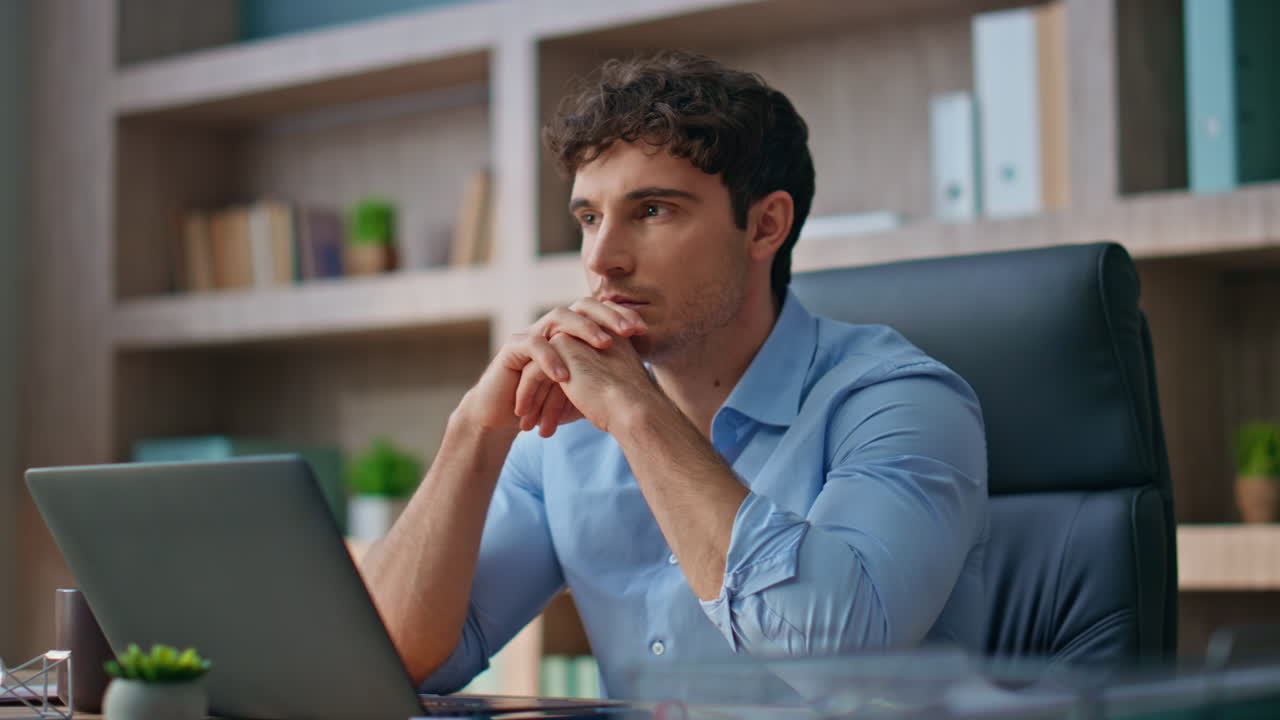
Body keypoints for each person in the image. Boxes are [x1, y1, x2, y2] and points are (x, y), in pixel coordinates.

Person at [360, 51, 988, 702]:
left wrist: (640, 417)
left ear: (765, 225)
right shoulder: (562, 438)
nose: (602, 260)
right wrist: (474, 434)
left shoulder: (902, 401)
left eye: (652, 210)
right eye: (589, 218)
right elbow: (388, 667)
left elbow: (840, 661)